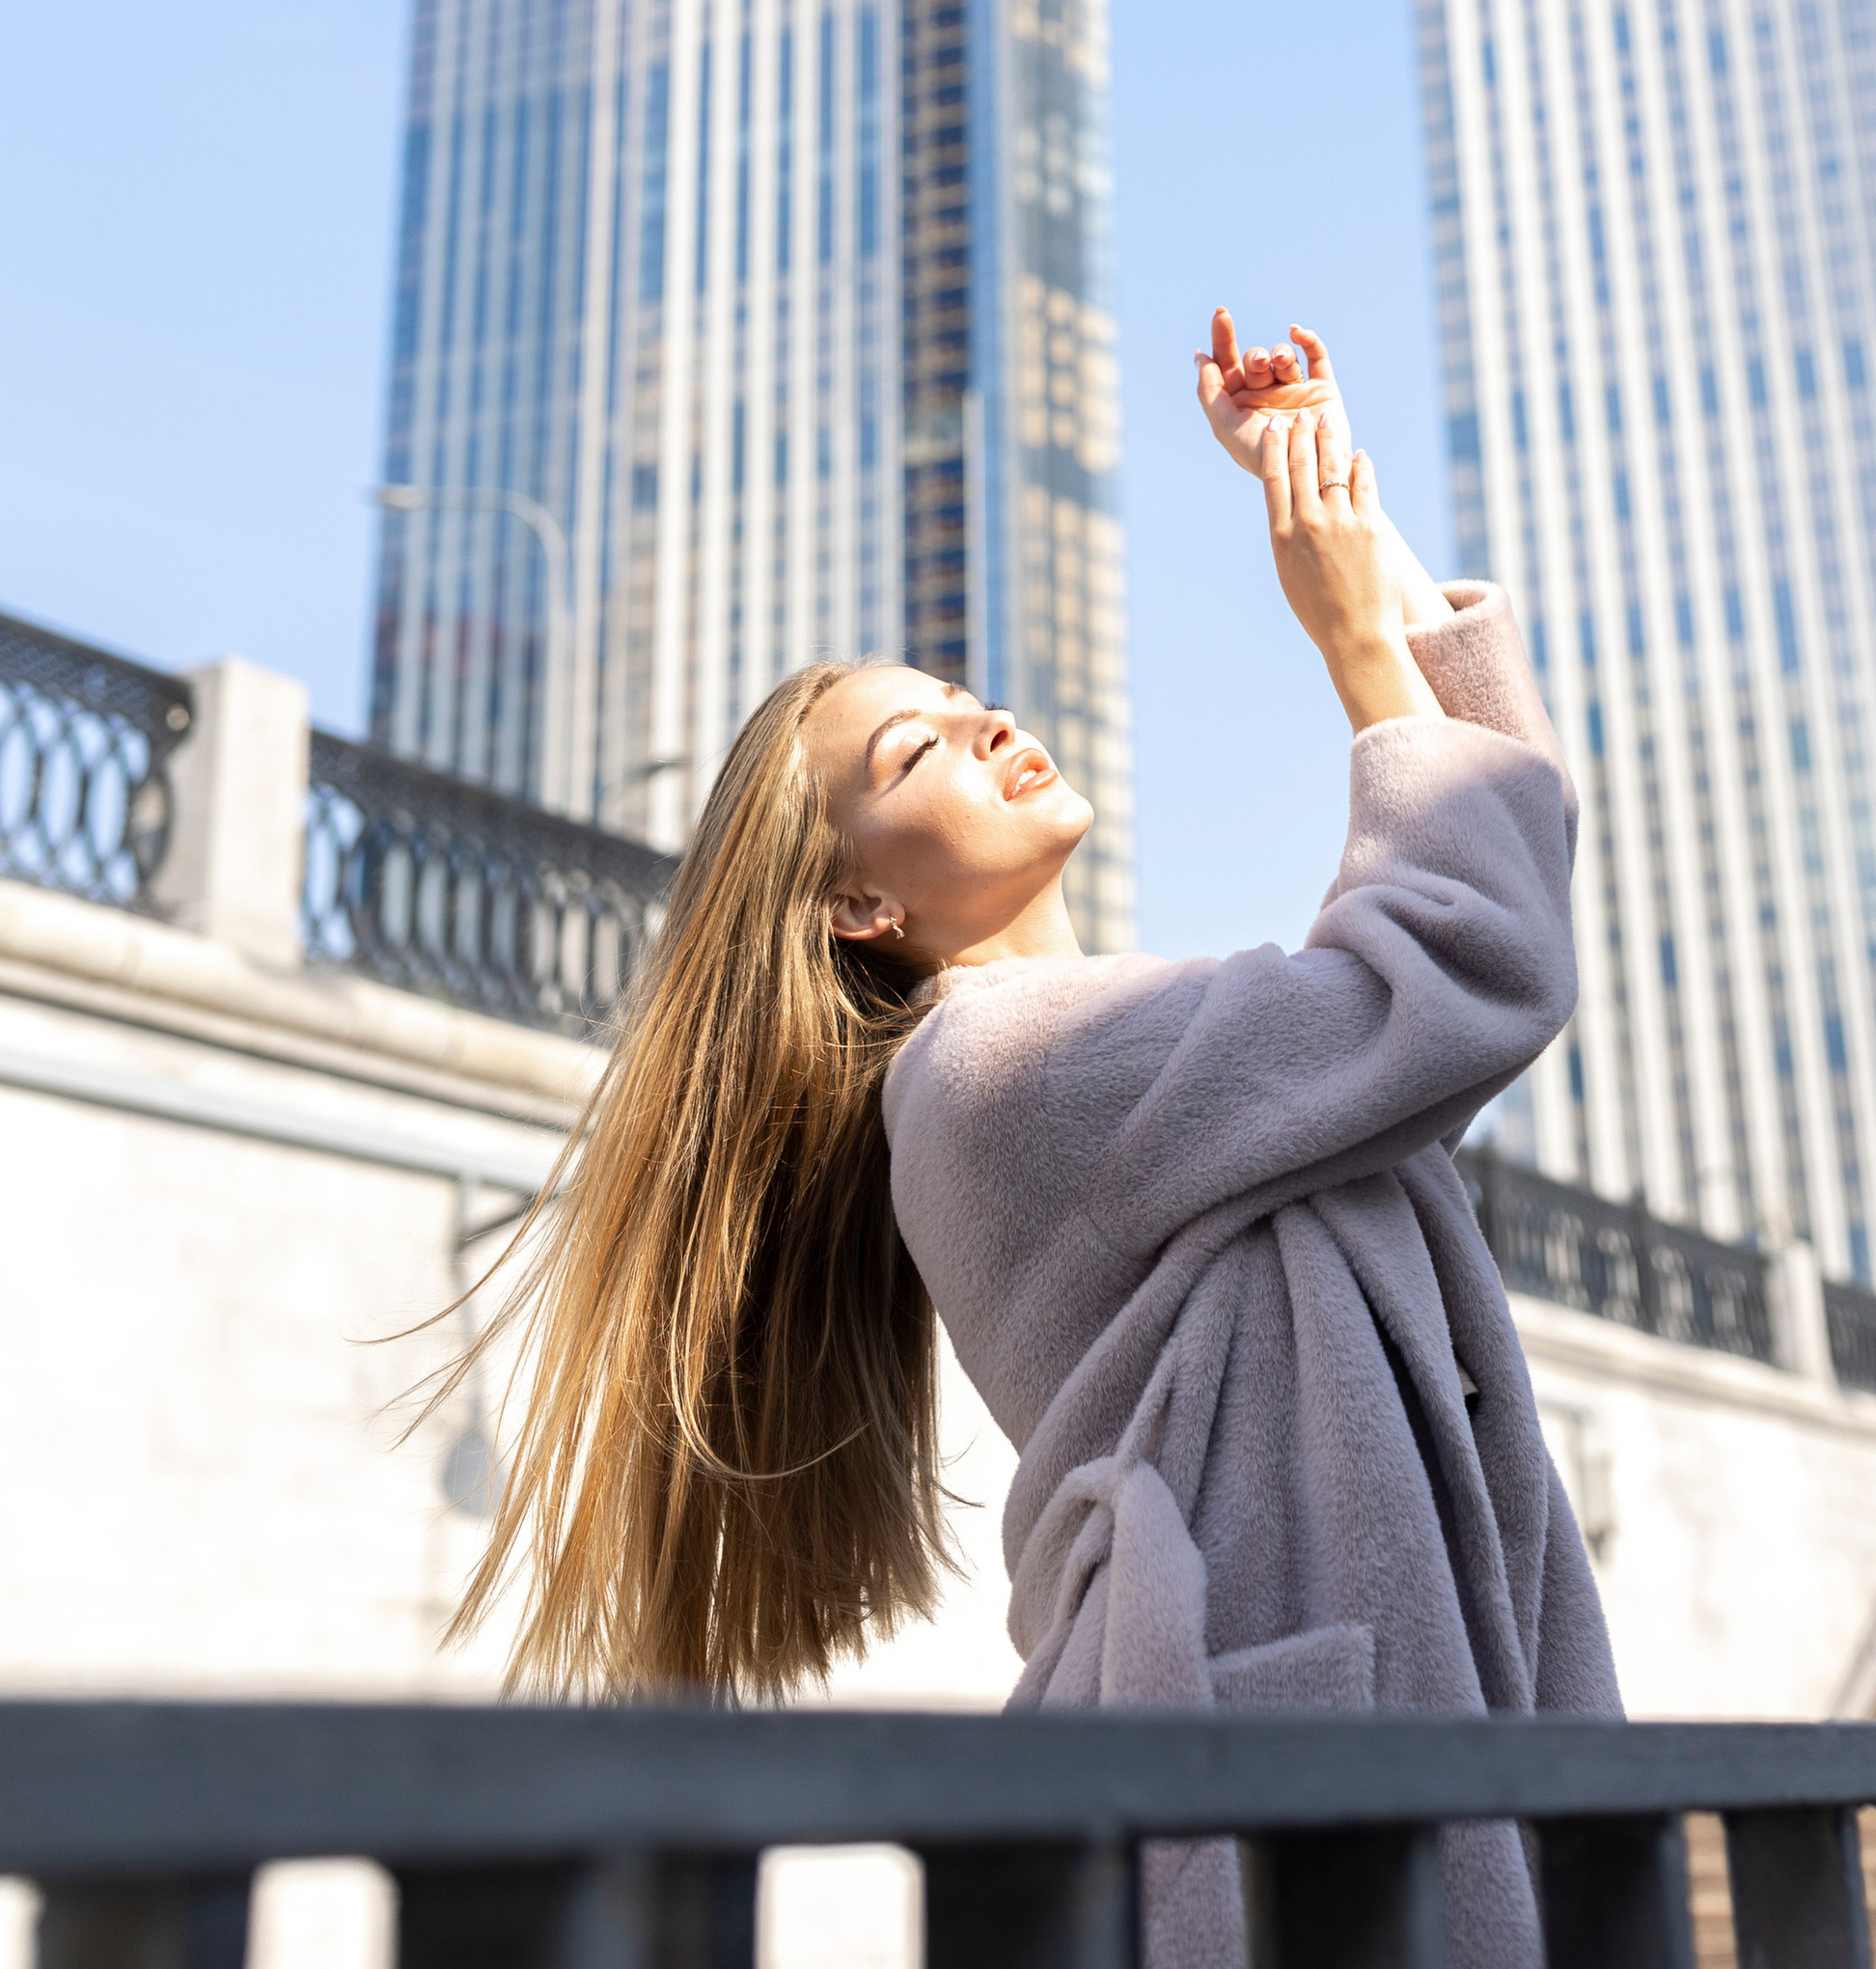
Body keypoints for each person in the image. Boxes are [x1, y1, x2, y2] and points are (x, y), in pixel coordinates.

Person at [448, 310, 1621, 1965]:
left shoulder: (1131, 1053)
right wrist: (1355, 645)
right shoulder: (994, 1071)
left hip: (1350, 1754)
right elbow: (1468, 964)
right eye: (918, 746)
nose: (990, 721)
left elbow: (1493, 878)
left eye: (967, 695)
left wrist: (1339, 499)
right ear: (859, 902)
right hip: (1290, 1812)